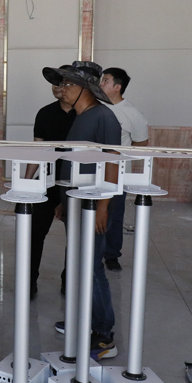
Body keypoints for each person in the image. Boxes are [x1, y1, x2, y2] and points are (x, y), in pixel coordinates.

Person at [43, 61, 121, 360]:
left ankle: (104, 334)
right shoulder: (81, 117)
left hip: (92, 204)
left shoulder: (104, 117)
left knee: (91, 266)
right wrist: (63, 201)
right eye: (62, 84)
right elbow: (75, 164)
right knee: (78, 263)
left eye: (68, 84)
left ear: (85, 88)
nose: (62, 89)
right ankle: (83, 320)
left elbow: (112, 162)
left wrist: (103, 206)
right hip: (74, 200)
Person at [23, 65, 76, 300]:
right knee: (34, 233)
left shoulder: (85, 114)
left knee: (75, 236)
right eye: (55, 83)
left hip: (75, 183)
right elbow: (38, 150)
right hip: (47, 181)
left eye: (63, 83)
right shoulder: (45, 113)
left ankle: (69, 281)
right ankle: (29, 281)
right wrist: (27, 183)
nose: (58, 87)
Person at [99, 67, 149, 272]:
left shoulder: (131, 112)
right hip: (93, 170)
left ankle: (112, 255)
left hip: (117, 174)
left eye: (106, 81)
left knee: (114, 213)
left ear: (117, 87)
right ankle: (91, 252)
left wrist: (122, 159)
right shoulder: (96, 107)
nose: (101, 84)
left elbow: (141, 143)